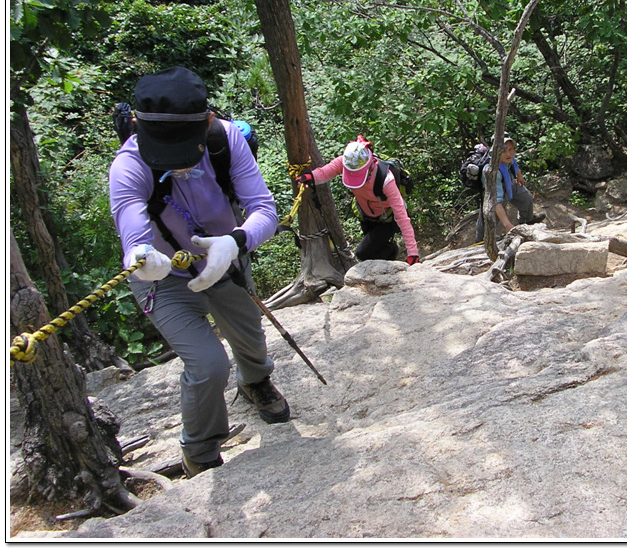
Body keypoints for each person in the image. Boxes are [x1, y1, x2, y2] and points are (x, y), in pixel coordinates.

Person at [109, 66, 287, 478]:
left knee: (250, 336)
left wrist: (236, 242)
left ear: (207, 121)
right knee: (208, 365)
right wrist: (140, 256)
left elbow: (264, 209)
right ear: (137, 125)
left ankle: (255, 381)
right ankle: (201, 449)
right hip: (166, 279)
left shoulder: (225, 141)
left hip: (226, 260)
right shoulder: (128, 165)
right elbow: (131, 226)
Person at [298, 136, 420, 264]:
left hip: (387, 220)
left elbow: (402, 217)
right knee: (373, 254)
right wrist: (309, 176)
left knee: (363, 253)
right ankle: (387, 259)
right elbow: (324, 172)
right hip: (366, 216)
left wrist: (413, 253)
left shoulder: (386, 180)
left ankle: (392, 251)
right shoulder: (348, 162)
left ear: (369, 167)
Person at [474, 134, 545, 242]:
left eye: (511, 149)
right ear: (496, 152)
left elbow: (513, 162)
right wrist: (507, 224)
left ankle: (526, 222)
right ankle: (481, 242)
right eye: (504, 151)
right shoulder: (491, 171)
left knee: (526, 197)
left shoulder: (507, 157)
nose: (508, 153)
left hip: (509, 183)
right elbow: (495, 201)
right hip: (492, 195)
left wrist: (519, 175)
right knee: (488, 221)